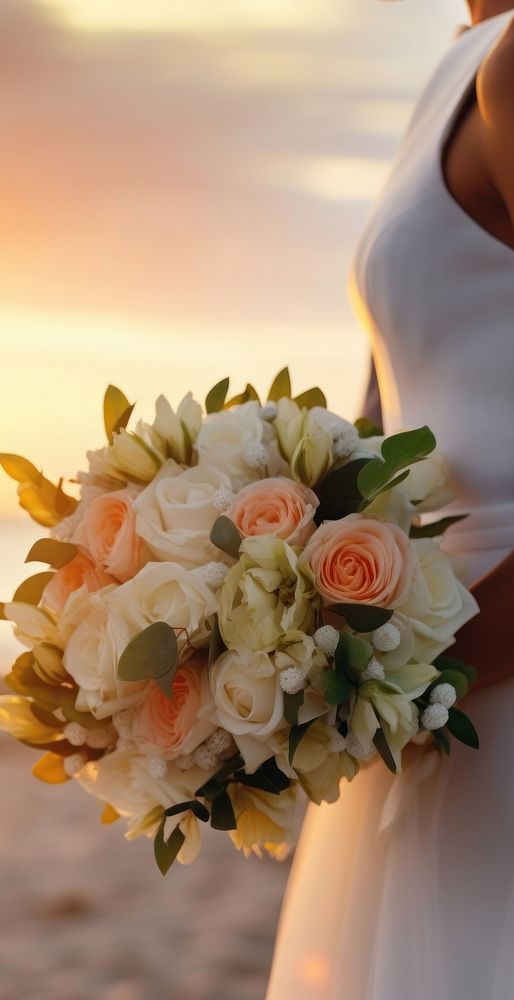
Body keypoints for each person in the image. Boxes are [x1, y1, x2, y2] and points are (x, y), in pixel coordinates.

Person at [266, 3, 514, 998]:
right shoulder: (462, 57)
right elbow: (392, 414)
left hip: (482, 670)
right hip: (428, 683)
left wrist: (436, 668)